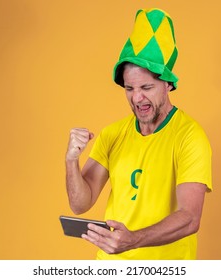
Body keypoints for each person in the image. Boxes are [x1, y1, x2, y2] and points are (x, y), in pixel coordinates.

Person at [65, 8, 212, 260]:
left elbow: (190, 218)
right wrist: (71, 160)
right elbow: (80, 203)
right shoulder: (112, 134)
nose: (137, 98)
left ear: (168, 84)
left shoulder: (190, 136)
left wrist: (134, 240)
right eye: (129, 88)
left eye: (146, 87)